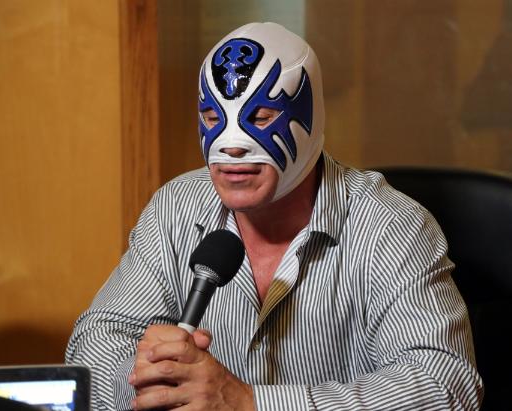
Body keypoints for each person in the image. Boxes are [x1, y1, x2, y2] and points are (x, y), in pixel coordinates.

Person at [66, 22, 483, 410]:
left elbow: (446, 384)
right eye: (213, 118)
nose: (231, 145)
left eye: (260, 118)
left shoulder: (392, 226)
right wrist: (150, 379)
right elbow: (93, 344)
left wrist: (249, 403)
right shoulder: (176, 208)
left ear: (310, 115)